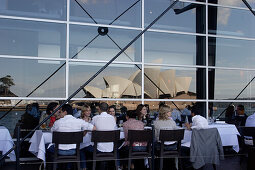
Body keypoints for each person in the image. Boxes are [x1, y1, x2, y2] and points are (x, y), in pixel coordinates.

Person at [50, 104, 96, 170]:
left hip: (60, 151)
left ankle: (54, 167)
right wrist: (84, 129)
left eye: (61, 112)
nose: (60, 113)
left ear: (65, 112)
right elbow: (94, 128)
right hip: (74, 150)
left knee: (47, 147)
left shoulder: (57, 122)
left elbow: (52, 131)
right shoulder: (79, 121)